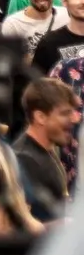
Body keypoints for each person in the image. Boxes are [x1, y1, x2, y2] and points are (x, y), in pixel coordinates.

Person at [11, 77, 77, 222]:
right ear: (40, 117)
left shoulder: (49, 149)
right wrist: (66, 226)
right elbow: (19, 226)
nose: (73, 120)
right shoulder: (23, 160)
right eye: (65, 113)